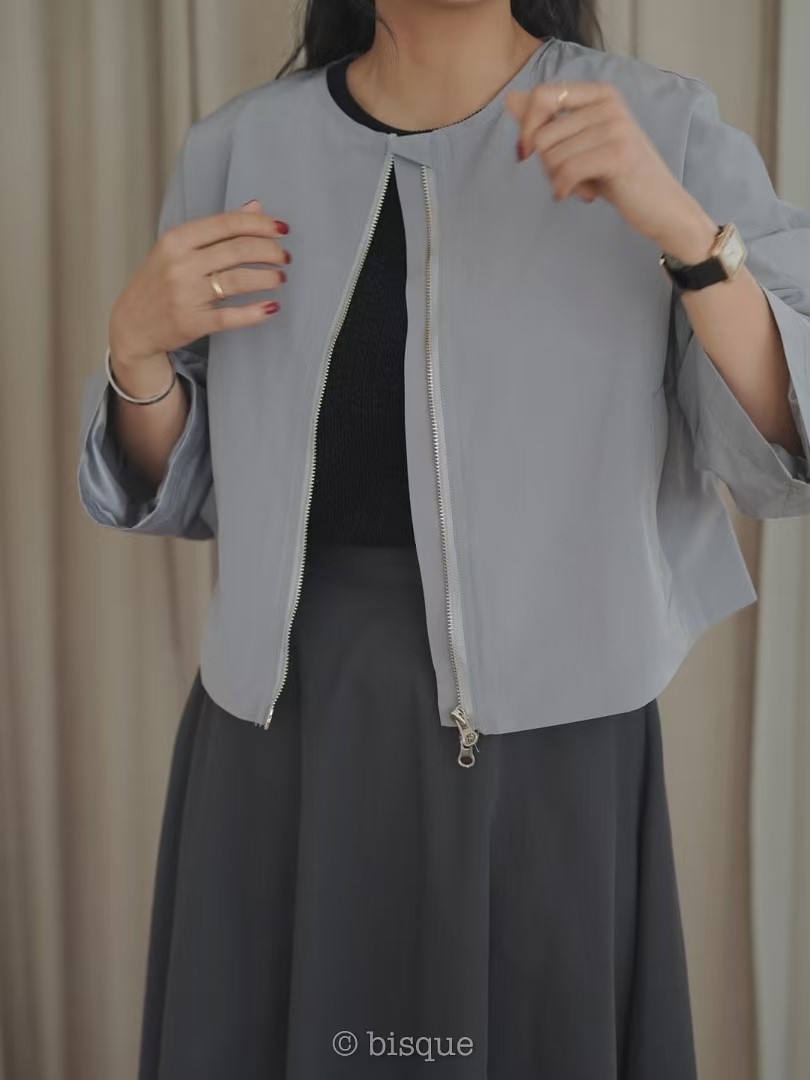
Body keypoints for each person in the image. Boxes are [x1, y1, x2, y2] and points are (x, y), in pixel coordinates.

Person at [76, 1, 810, 1077]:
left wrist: (688, 237)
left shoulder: (661, 126)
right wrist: (136, 352)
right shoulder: (240, 150)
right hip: (287, 730)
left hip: (554, 746)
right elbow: (190, 487)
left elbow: (783, 437)